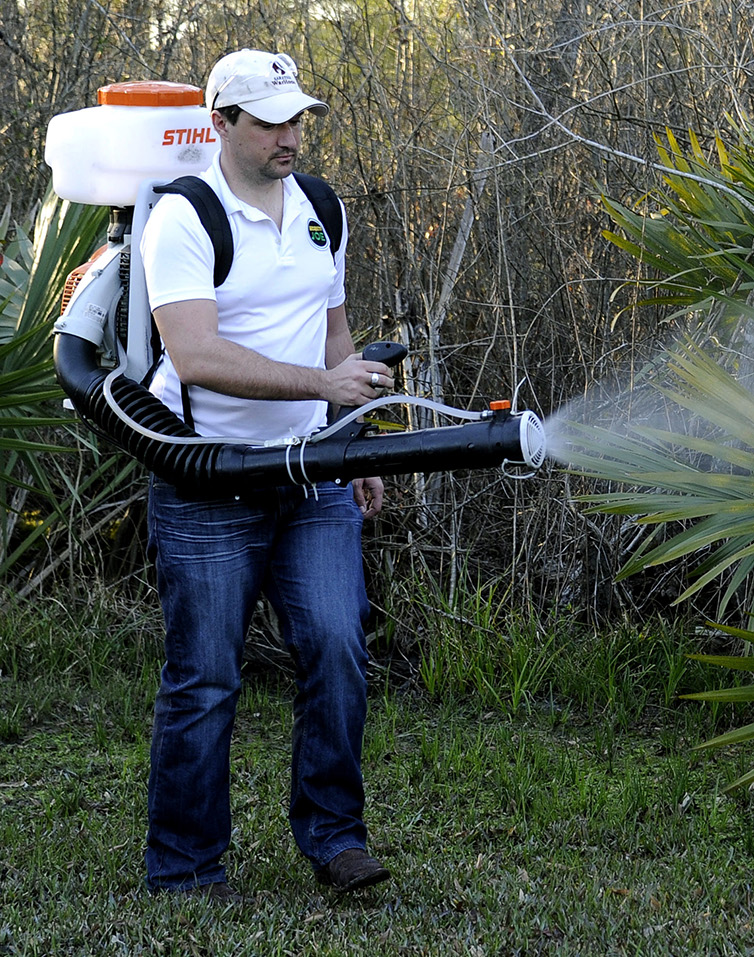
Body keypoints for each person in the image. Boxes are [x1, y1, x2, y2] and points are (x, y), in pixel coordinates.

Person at [137, 48, 393, 899]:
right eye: (271, 122)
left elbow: (333, 334)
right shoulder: (185, 218)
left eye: (298, 119)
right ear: (222, 123)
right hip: (209, 483)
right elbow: (196, 355)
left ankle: (336, 839)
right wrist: (323, 386)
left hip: (313, 475)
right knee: (207, 675)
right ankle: (184, 867)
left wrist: (354, 436)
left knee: (338, 647)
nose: (291, 136)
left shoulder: (322, 206)